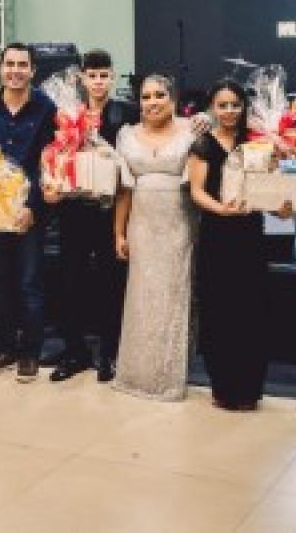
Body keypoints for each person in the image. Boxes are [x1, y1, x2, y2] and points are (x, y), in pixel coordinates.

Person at [189, 79, 291, 410]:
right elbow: (196, 192)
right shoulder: (203, 144)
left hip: (250, 237)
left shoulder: (258, 144)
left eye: (235, 105)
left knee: (251, 312)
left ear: (244, 107)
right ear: (212, 108)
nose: (230, 111)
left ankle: (249, 389)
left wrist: (283, 203)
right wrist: (221, 209)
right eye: (223, 105)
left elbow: (270, 194)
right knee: (219, 311)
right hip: (217, 237)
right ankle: (223, 387)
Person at [43, 49, 138, 383]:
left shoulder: (125, 113)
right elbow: (52, 155)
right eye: (92, 76)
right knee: (71, 282)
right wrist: (50, 184)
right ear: (82, 78)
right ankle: (75, 351)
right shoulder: (66, 113)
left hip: (110, 211)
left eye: (104, 75)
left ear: (112, 77)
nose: (98, 81)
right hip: (73, 210)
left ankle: (109, 353)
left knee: (110, 283)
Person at [0, 43, 57, 383]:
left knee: (29, 283)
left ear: (32, 70)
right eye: (10, 64)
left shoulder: (46, 108)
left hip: (28, 211)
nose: (15, 71)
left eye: (23, 65)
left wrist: (32, 206)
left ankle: (30, 353)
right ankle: (5, 348)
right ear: (0, 68)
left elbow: (48, 162)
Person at [112, 74, 197, 401]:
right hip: (141, 224)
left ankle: (169, 378)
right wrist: (119, 231)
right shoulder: (126, 135)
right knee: (141, 297)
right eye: (146, 97)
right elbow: (124, 189)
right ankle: (136, 375)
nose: (152, 102)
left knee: (173, 296)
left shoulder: (192, 130)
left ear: (173, 100)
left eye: (159, 95)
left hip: (179, 222)